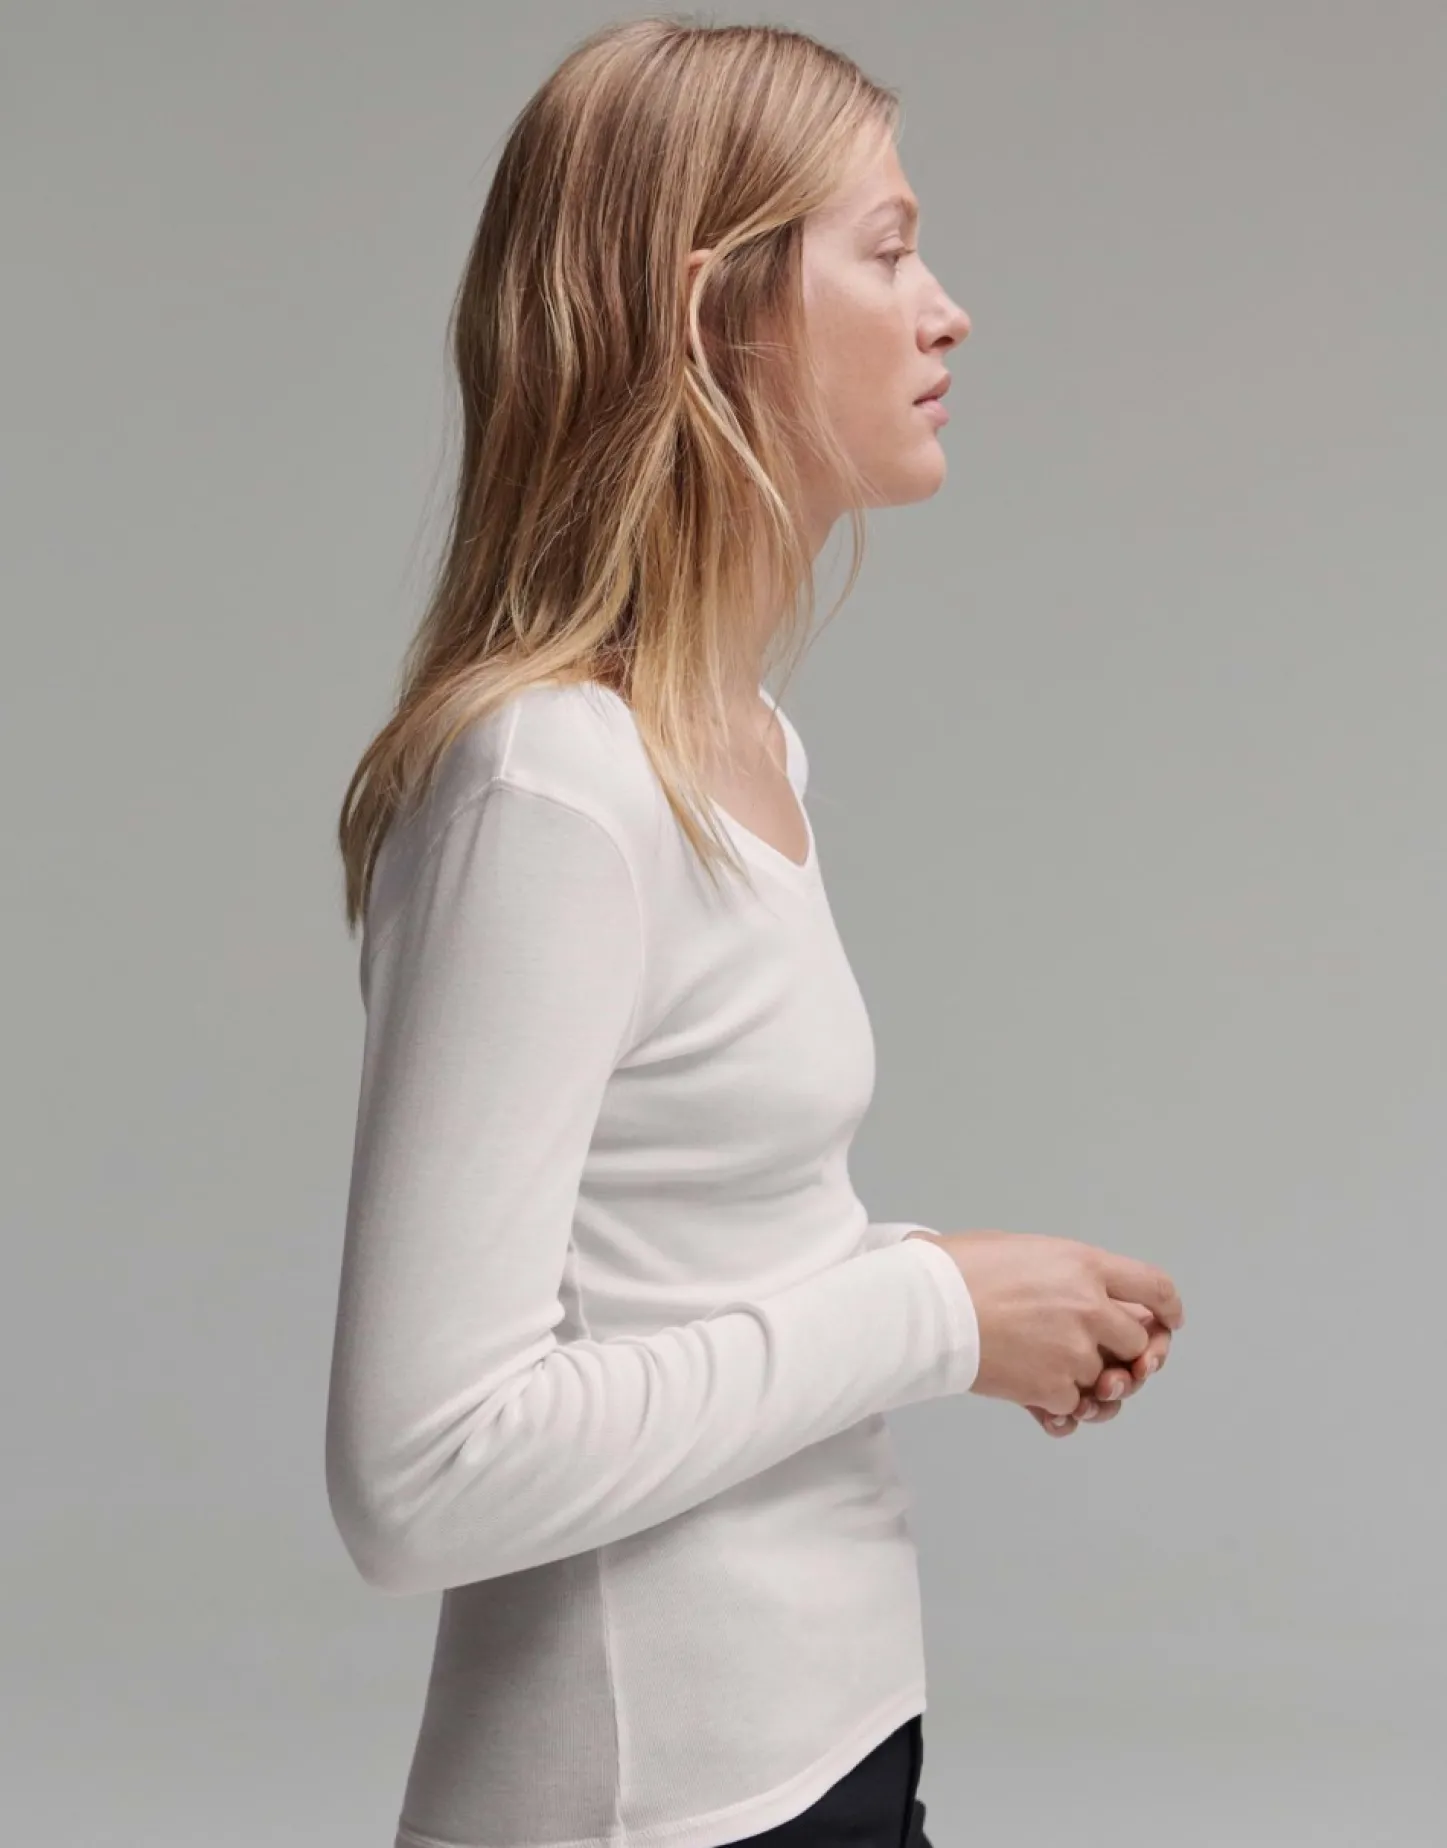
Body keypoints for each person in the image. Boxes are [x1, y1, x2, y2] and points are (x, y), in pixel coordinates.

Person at [324, 17, 1186, 1848]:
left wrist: (966, 1289)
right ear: (715, 312)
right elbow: (420, 1472)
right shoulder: (548, 786)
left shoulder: (739, 744)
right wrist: (931, 1314)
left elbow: (682, 1271)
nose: (948, 313)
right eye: (887, 251)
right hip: (650, 1815)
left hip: (832, 1753)